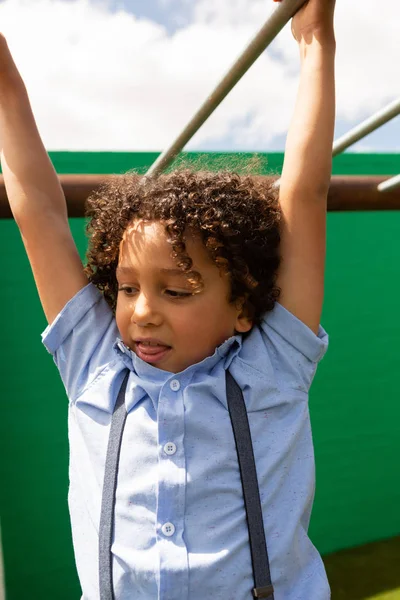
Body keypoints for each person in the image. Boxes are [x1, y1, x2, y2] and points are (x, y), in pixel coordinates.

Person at [0, 0, 336, 597]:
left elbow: (304, 195)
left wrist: (315, 42)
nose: (143, 310)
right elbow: (40, 212)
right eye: (127, 288)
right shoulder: (95, 364)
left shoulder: (272, 370)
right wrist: (3, 77)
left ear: (243, 304)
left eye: (177, 290)